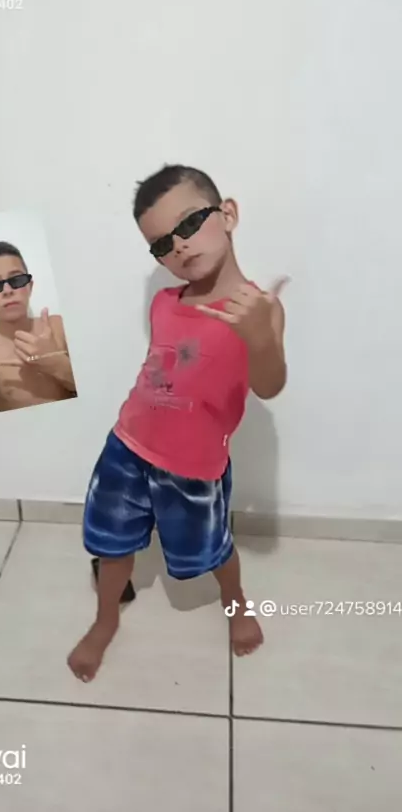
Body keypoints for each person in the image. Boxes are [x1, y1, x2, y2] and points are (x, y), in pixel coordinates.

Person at [68, 164, 288, 683]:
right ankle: (105, 619)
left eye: (189, 224)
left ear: (227, 214)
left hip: (193, 466)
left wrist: (259, 335)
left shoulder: (259, 309)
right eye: (162, 244)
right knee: (112, 545)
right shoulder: (165, 302)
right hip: (127, 446)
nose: (180, 246)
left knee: (214, 548)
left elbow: (270, 385)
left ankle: (236, 604)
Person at [0, 241, 77, 418]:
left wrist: (56, 364)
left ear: (30, 287)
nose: (7, 290)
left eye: (16, 280)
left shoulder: (60, 327)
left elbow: (103, 389)